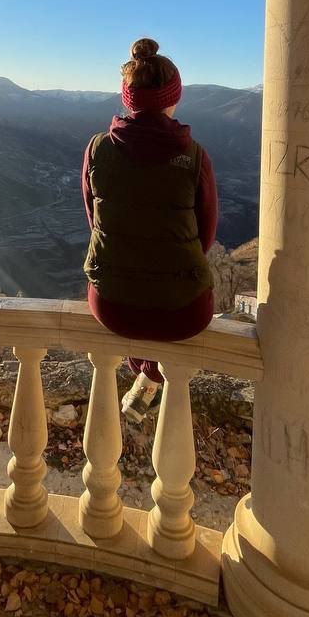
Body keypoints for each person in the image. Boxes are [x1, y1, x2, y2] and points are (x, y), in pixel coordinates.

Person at [82, 38, 218, 422]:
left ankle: (144, 373)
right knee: (166, 304)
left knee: (131, 307)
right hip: (184, 313)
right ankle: (150, 376)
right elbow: (205, 236)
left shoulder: (97, 149)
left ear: (127, 98)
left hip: (112, 306)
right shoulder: (194, 156)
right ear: (174, 97)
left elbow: (97, 222)